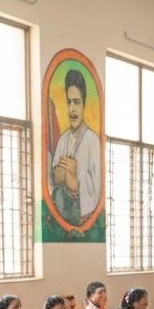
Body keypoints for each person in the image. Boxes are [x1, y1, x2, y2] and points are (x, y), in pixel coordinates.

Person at [50, 68, 101, 225]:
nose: (72, 109)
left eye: (77, 102)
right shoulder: (62, 140)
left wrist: (74, 177)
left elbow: (97, 190)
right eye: (69, 102)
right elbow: (52, 183)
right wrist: (58, 176)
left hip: (82, 216)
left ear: (84, 104)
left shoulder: (93, 140)